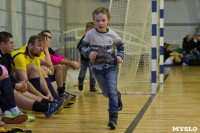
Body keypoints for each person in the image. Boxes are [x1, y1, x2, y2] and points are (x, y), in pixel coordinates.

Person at [79, 7, 123, 129]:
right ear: (94, 22)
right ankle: (118, 97)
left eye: (103, 20)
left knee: (112, 91)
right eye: (97, 21)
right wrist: (88, 53)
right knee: (106, 93)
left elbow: (121, 46)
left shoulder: (112, 34)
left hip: (111, 67)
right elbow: (82, 47)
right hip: (97, 69)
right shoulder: (90, 34)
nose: (100, 23)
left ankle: (113, 118)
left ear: (108, 21)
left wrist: (120, 56)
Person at [0, 32, 62, 119]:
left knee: (39, 70)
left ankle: (49, 103)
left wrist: (47, 93)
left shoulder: (7, 56)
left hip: (12, 82)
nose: (13, 45)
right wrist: (16, 85)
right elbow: (24, 82)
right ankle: (43, 107)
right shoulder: (19, 56)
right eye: (11, 43)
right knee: (12, 88)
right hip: (12, 83)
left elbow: (40, 76)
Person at [40, 30, 79, 100]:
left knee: (63, 65)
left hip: (49, 72)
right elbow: (52, 59)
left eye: (49, 37)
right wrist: (71, 63)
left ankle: (61, 91)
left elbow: (59, 57)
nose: (48, 39)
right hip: (42, 73)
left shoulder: (48, 49)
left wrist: (70, 62)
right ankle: (52, 95)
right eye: (45, 37)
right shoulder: (40, 47)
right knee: (58, 66)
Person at [77, 22, 97, 92]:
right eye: (88, 31)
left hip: (92, 60)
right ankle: (80, 82)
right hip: (84, 59)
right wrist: (84, 50)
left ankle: (92, 86)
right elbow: (79, 47)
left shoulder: (95, 40)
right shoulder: (84, 38)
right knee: (82, 72)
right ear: (86, 31)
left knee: (92, 73)